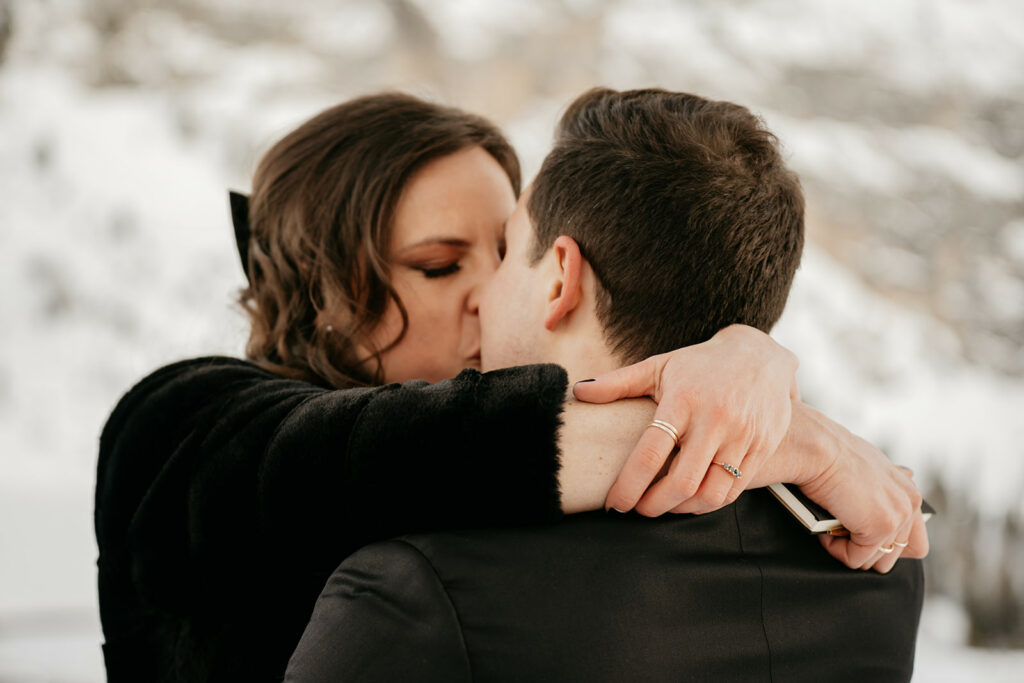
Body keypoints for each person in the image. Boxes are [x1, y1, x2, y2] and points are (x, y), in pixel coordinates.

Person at [95, 93, 924, 682]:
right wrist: (784, 432)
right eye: (440, 263)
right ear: (322, 293)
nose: (492, 292)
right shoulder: (182, 425)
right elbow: (411, 451)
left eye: (505, 251)